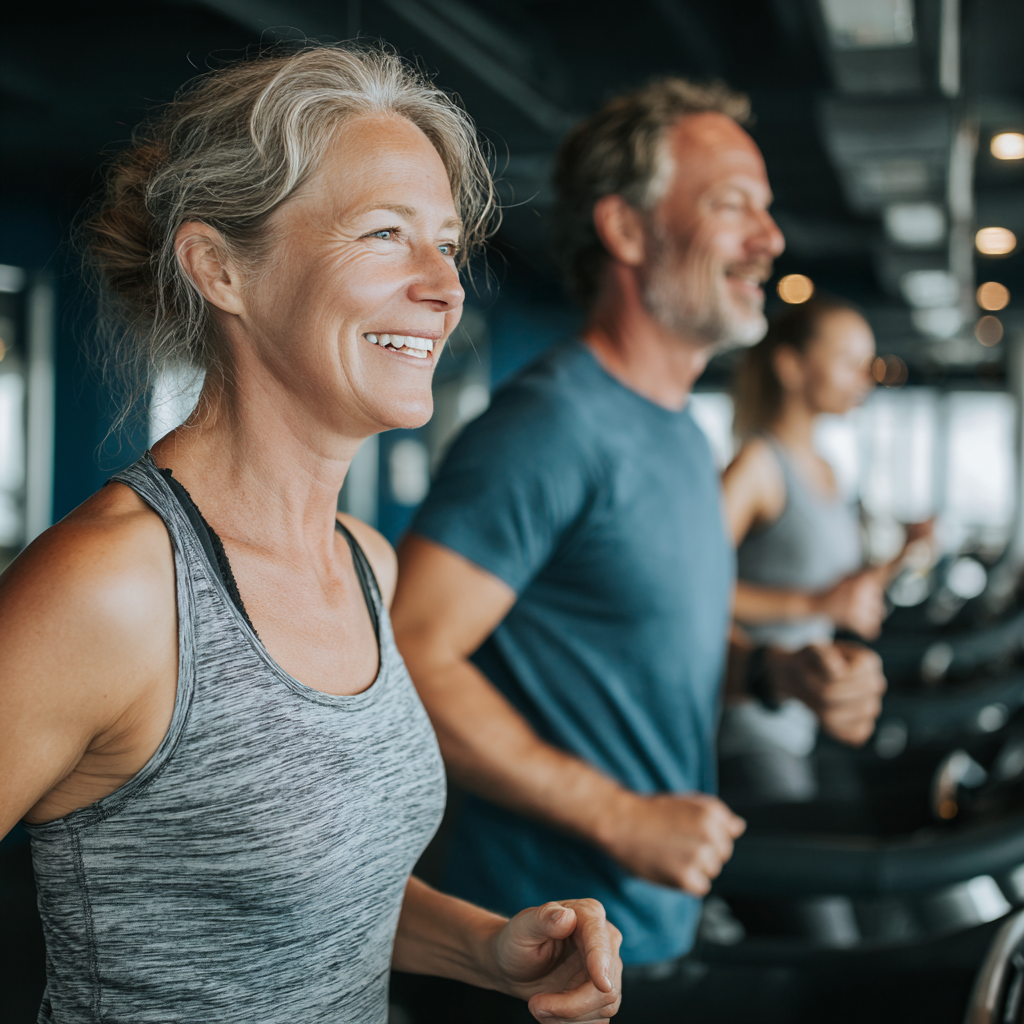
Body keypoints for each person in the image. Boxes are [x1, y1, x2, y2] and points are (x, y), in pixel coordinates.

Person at [0, 46, 622, 1024]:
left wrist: (490, 950)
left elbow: (303, 894)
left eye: (447, 243)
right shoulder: (113, 589)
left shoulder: (365, 562)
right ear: (220, 267)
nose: (443, 285)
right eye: (385, 233)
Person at [390, 78, 886, 1019]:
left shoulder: (680, 436)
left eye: (768, 211)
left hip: (649, 934)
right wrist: (618, 816)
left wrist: (778, 675)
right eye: (732, 205)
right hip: (537, 955)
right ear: (626, 229)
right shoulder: (551, 427)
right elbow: (411, 654)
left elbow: (647, 649)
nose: (770, 238)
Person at [720, 298, 929, 802]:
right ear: (791, 366)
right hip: (747, 723)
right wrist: (815, 606)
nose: (865, 377)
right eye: (849, 361)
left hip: (805, 720)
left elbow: (836, 593)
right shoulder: (757, 464)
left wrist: (905, 553)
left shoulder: (829, 471)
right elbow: (688, 591)